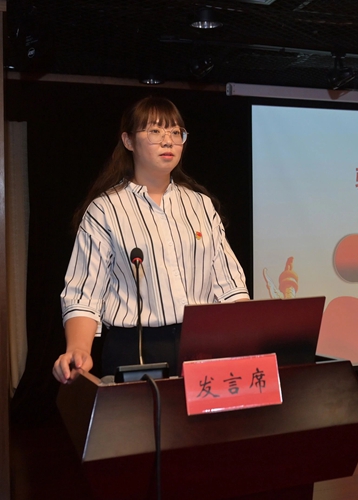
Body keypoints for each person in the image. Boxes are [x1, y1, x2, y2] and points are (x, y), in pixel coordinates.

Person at [52, 96, 249, 384]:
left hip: (204, 347)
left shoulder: (201, 205)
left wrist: (250, 338)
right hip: (136, 349)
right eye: (155, 131)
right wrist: (79, 349)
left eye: (175, 132)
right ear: (128, 141)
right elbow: (84, 295)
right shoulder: (105, 210)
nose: (168, 141)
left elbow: (230, 287)